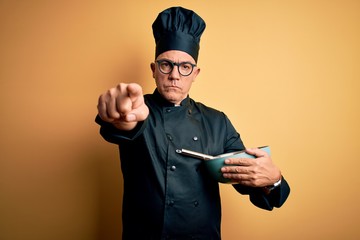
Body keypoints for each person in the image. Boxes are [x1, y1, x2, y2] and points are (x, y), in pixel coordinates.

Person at [96, 6, 290, 240]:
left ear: (195, 73)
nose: (174, 75)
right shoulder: (139, 110)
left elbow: (247, 177)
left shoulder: (217, 121)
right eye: (166, 64)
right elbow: (127, 127)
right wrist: (121, 118)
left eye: (185, 67)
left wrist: (274, 179)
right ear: (154, 70)